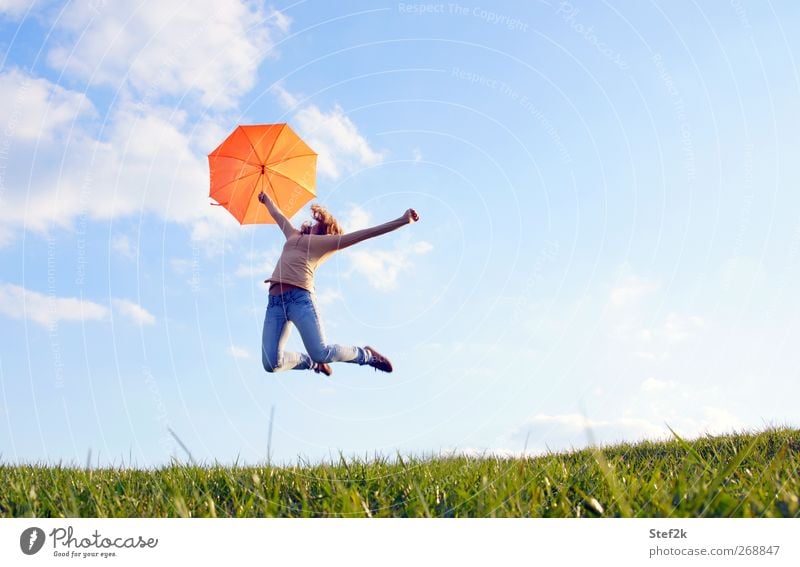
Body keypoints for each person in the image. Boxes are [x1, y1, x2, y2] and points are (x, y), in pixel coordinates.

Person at [257, 190, 419, 377]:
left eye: (321, 224)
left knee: (321, 352)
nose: (315, 224)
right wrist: (266, 199)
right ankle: (314, 364)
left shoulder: (326, 243)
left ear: (327, 231)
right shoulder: (292, 235)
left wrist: (403, 220)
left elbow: (366, 233)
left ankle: (366, 355)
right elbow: (278, 215)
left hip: (300, 300)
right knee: (271, 363)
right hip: (275, 304)